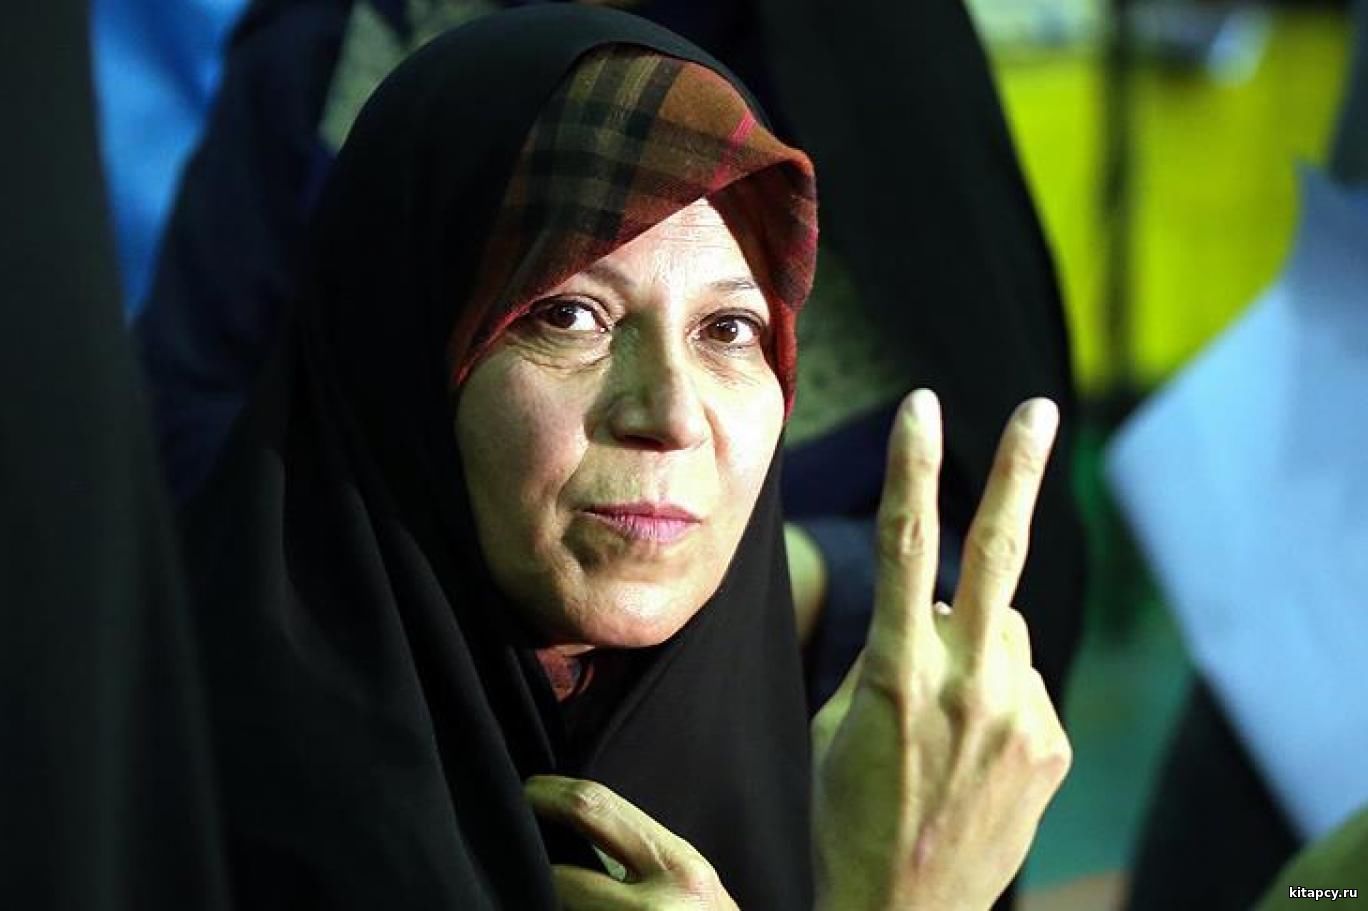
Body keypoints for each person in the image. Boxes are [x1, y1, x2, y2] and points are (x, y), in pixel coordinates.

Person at [6, 5, 1071, 908]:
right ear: (407, 373)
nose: (671, 414)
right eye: (567, 314)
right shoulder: (189, 818)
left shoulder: (848, 811)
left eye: (732, 329)